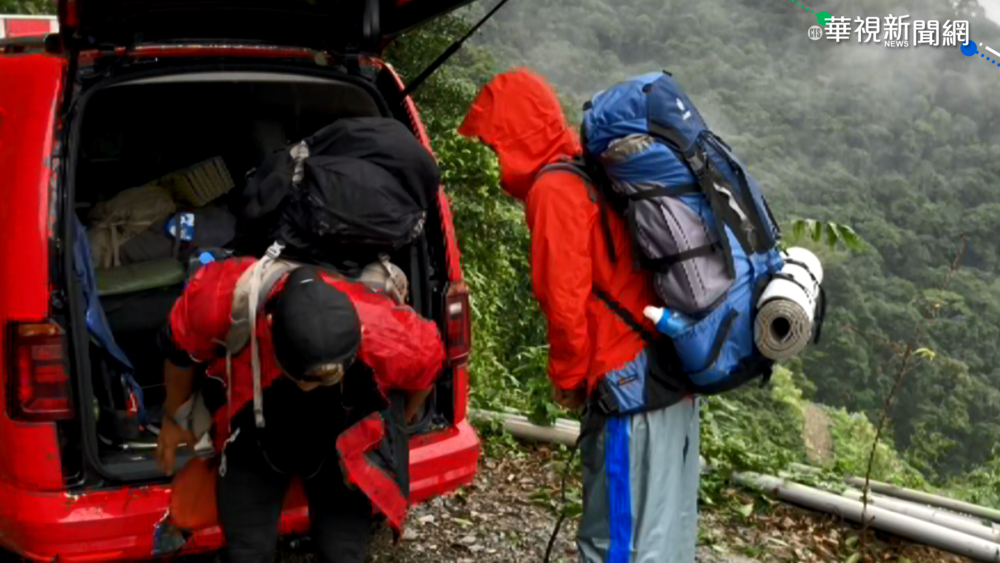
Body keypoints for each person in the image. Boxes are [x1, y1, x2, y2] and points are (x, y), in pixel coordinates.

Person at [458, 68, 700, 562]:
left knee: (614, 539)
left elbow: (564, 304)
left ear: (516, 134)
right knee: (663, 535)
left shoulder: (555, 191)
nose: (493, 156)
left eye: (494, 141)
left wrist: (567, 380)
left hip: (626, 384)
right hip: (671, 368)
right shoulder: (590, 169)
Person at [154, 256, 444, 563]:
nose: (310, 385)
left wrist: (402, 423)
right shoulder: (222, 295)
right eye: (302, 376)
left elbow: (429, 368)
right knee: (246, 552)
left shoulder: (390, 334)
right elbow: (179, 348)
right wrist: (174, 418)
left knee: (343, 553)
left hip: (340, 438)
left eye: (326, 377)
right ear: (269, 326)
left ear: (360, 332)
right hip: (257, 428)